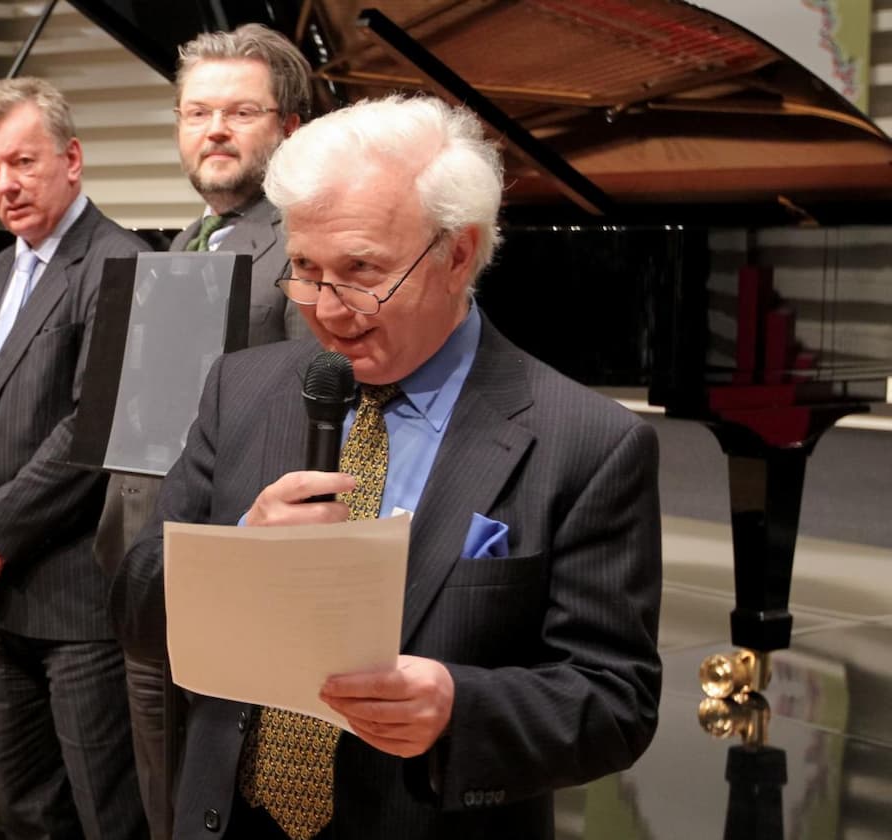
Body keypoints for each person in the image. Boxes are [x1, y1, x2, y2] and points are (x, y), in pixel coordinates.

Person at [112, 94, 663, 839]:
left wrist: (457, 707)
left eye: (362, 271)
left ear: (458, 252)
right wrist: (240, 549)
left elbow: (616, 701)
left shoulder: (586, 443)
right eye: (304, 268)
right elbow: (134, 611)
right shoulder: (241, 390)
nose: (328, 309)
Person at [91, 25, 315, 836]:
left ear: (289, 126)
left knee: (215, 797)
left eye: (238, 111)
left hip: (237, 572)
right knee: (161, 791)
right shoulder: (189, 240)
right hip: (153, 568)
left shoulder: (303, 240)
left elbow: (318, 415)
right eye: (195, 112)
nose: (212, 129)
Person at [0, 78, 148, 839]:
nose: (5, 185)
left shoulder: (123, 262)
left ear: (73, 158)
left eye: (22, 161)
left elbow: (97, 428)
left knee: (106, 814)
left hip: (76, 597)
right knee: (24, 810)